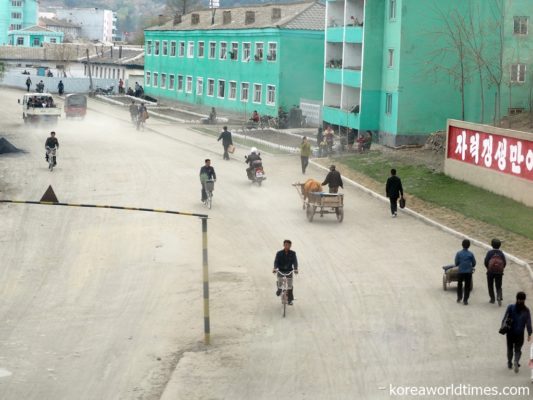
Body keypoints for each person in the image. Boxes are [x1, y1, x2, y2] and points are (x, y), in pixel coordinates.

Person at [502, 292, 532, 373]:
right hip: (520, 334)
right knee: (518, 349)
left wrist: (502, 327)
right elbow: (528, 324)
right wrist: (529, 334)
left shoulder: (510, 307)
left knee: (510, 348)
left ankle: (509, 363)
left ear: (516, 298)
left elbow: (505, 318)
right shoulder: (526, 311)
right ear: (524, 300)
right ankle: (516, 361)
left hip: (510, 333)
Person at [273, 240, 299, 305]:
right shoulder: (279, 253)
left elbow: (295, 262)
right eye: (286, 245)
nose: (287, 246)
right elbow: (276, 261)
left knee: (290, 286)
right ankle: (279, 289)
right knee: (280, 282)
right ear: (283, 245)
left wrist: (295, 269)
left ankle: (290, 300)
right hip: (280, 270)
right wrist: (275, 268)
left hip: (289, 271)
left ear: (290, 246)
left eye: (288, 245)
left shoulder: (293, 253)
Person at [484, 238, 507, 306]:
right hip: (499, 273)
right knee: (499, 285)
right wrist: (501, 269)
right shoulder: (501, 253)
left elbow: (486, 262)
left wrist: (488, 268)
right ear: (499, 246)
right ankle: (499, 296)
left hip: (490, 272)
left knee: (490, 285)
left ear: (492, 245)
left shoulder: (489, 253)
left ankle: (492, 299)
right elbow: (504, 263)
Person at [454, 239, 476, 305]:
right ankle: (465, 300)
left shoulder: (458, 253)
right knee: (467, 286)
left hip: (460, 272)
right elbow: (474, 263)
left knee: (459, 285)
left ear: (462, 245)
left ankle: (459, 297)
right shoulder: (471, 254)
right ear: (469, 246)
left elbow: (456, 263)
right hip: (468, 272)